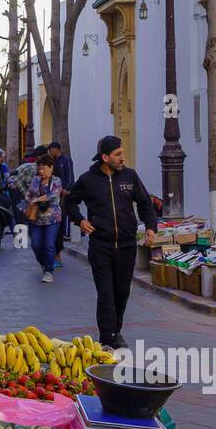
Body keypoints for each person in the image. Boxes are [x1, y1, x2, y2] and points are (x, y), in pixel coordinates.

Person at [63, 135, 158, 348]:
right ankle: (107, 338)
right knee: (106, 293)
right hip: (101, 246)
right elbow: (69, 202)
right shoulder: (88, 180)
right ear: (105, 157)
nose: (123, 158)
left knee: (122, 292)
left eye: (122, 153)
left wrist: (151, 227)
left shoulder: (130, 177)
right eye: (118, 154)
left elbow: (145, 204)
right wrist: (80, 220)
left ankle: (116, 331)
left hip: (126, 245)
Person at [24, 153, 64, 283]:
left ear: (51, 168)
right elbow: (28, 194)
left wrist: (38, 199)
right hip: (36, 218)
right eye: (39, 168)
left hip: (52, 219)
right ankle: (44, 263)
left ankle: (48, 271)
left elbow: (54, 194)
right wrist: (31, 200)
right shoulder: (35, 180)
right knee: (35, 244)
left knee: (49, 245)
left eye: (44, 168)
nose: (41, 171)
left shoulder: (56, 180)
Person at [49, 140, 74, 266]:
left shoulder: (65, 160)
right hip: (56, 193)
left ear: (56, 149)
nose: (50, 152)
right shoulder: (54, 161)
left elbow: (70, 176)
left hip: (64, 193)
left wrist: (67, 189)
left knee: (62, 216)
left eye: (51, 149)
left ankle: (65, 234)